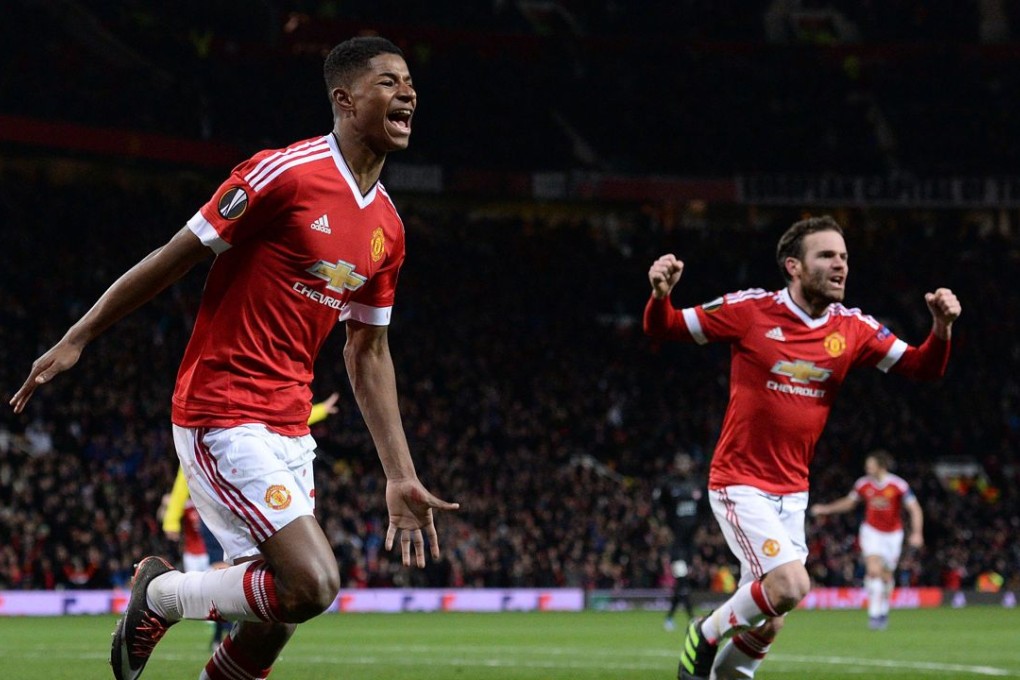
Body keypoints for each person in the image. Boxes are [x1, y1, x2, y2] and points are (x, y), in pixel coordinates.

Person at [10, 36, 459, 680]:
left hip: (290, 426)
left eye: (410, 82)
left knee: (275, 621)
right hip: (223, 410)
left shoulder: (388, 226)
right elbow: (176, 254)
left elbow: (369, 351)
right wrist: (79, 335)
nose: (407, 92)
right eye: (388, 81)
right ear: (344, 98)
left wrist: (400, 472)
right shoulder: (286, 174)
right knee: (312, 584)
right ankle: (161, 595)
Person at [643, 215, 961, 680]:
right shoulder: (751, 310)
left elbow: (923, 367)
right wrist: (660, 296)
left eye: (844, 256)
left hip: (793, 492)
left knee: (770, 620)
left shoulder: (853, 327)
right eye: (827, 256)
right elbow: (666, 327)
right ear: (793, 266)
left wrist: (941, 328)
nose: (841, 265)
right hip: (740, 482)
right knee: (791, 584)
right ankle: (706, 633)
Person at [161, 392, 341, 650]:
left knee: (271, 609)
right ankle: (163, 594)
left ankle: (187, 611)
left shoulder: (270, 416)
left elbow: (285, 415)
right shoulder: (221, 430)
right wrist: (171, 521)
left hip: (254, 464)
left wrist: (321, 409)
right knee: (280, 586)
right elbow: (182, 482)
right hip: (207, 527)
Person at [810, 449, 924, 630]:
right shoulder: (863, 484)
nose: (867, 468)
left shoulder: (898, 485)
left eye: (870, 465)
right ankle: (874, 614)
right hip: (871, 531)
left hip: (893, 535)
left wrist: (917, 533)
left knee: (886, 575)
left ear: (881, 466)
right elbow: (849, 503)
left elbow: (915, 508)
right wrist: (826, 509)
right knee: (873, 570)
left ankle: (883, 610)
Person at [653, 452, 705, 631]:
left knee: (683, 582)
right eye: (679, 463)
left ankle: (670, 617)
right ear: (675, 465)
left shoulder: (697, 484)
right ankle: (691, 618)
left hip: (691, 544)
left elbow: (706, 509)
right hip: (676, 543)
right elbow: (656, 508)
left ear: (690, 464)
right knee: (682, 580)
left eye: (685, 462)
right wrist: (662, 528)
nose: (682, 466)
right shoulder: (668, 485)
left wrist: (703, 530)